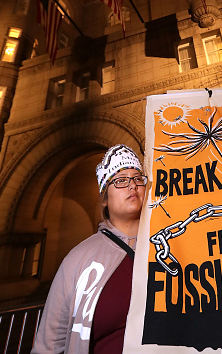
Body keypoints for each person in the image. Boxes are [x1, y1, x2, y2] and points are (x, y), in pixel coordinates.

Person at [31, 144, 147, 354]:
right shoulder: (78, 259)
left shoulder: (167, 247)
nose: (132, 186)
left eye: (138, 179)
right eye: (120, 180)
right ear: (104, 198)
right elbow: (48, 345)